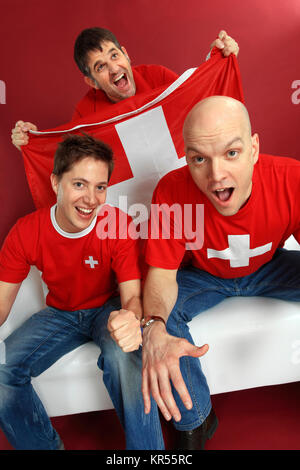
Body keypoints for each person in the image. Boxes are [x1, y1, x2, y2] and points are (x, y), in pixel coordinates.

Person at [141, 95, 300, 450]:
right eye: (199, 159)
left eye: (231, 153)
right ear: (187, 159)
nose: (216, 175)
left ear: (254, 148)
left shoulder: (291, 178)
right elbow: (163, 276)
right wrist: (153, 326)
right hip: (205, 277)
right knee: (158, 320)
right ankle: (196, 421)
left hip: (270, 268)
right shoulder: (171, 190)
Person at [0, 133, 164, 450]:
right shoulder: (25, 232)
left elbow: (131, 296)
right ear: (55, 183)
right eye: (79, 184)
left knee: (123, 355)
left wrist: (131, 321)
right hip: (60, 314)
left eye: (99, 187)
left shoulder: (117, 224)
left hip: (108, 308)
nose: (91, 198)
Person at [11, 27, 239, 150]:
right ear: (92, 82)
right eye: (100, 66)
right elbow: (70, 163)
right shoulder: (84, 113)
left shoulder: (157, 76)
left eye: (115, 55)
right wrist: (33, 143)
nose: (113, 68)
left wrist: (216, 60)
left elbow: (199, 106)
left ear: (126, 55)